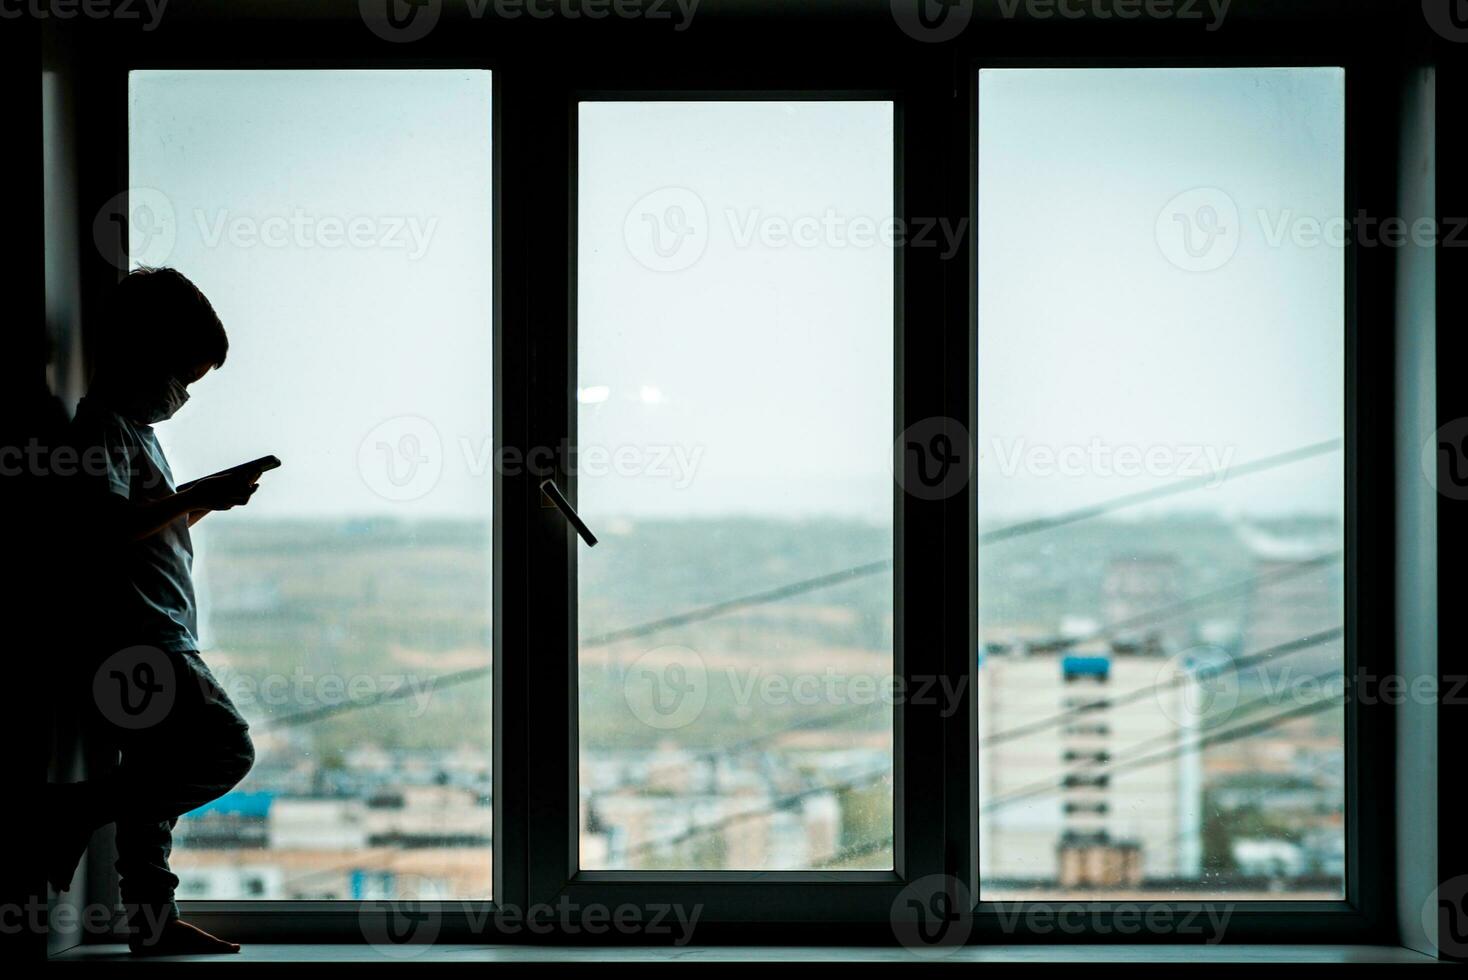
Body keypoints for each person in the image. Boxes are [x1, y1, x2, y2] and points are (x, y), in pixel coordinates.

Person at [50, 267, 264, 955]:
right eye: (184, 377)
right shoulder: (104, 427)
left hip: (147, 635)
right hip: (143, 637)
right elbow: (108, 525)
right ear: (143, 353)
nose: (184, 396)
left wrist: (204, 499)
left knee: (152, 789)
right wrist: (191, 495)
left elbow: (149, 529)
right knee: (225, 747)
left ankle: (150, 922)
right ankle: (73, 810)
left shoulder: (137, 434)